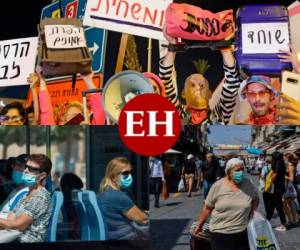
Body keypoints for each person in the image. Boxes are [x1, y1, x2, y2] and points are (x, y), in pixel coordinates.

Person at [160, 27, 240, 125]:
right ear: (183, 93)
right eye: (192, 85)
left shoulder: (219, 116)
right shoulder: (176, 115)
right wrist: (173, 46)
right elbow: (165, 81)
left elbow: (232, 82)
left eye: (202, 85)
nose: (198, 87)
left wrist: (225, 47)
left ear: (210, 94)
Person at [193, 158, 259, 250]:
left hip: (242, 233)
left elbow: (256, 199)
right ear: (229, 172)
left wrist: (252, 211)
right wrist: (199, 225)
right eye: (237, 170)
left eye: (242, 169)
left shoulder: (248, 184)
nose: (241, 173)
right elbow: (207, 207)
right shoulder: (218, 186)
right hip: (219, 234)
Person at [0, 154, 52, 243]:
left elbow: (19, 225)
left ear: (42, 175)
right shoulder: (28, 193)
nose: (26, 171)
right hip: (13, 237)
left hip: (25, 242)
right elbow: (12, 217)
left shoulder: (40, 197)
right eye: (26, 167)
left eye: (32, 169)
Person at [27, 66, 106, 125]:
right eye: (66, 119)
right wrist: (42, 79)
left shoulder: (92, 135)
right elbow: (46, 112)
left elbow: (100, 111)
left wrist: (88, 80)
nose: (74, 121)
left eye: (78, 117)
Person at [97, 157, 148, 240]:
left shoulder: (103, 193)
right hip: (127, 238)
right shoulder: (118, 196)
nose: (130, 176)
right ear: (113, 176)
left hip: (113, 237)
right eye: (125, 173)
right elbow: (143, 219)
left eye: (131, 172)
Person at [265, 152, 287, 231]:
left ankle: (283, 224)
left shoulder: (277, 166)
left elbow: (275, 176)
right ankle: (267, 220)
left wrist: (269, 181)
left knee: (279, 206)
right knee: (272, 204)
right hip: (280, 187)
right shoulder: (282, 164)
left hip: (277, 188)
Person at [60, 173, 84, 240]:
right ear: (67, 188)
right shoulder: (70, 208)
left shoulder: (62, 204)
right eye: (76, 191)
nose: (79, 194)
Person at [283, 154, 298, 226]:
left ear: (287, 158)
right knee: (290, 204)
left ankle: (290, 220)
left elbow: (292, 178)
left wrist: (284, 176)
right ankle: (293, 220)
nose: (283, 158)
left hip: (288, 187)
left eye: (284, 157)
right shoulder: (290, 166)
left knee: (285, 204)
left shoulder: (290, 166)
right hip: (289, 187)